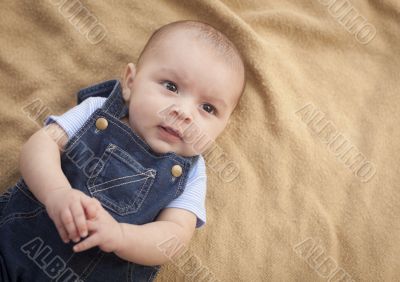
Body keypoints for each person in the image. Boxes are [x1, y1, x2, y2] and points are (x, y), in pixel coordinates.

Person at [0, 20, 245, 281]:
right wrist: (57, 194)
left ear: (223, 126)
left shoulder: (193, 172)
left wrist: (121, 237)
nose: (183, 113)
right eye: (171, 86)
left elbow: (174, 236)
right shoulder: (97, 111)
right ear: (130, 82)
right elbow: (40, 145)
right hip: (14, 245)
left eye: (208, 108)